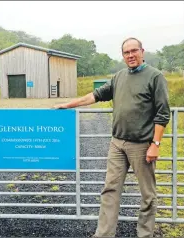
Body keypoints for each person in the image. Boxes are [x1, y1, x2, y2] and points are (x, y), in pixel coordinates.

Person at [53, 37, 170, 238]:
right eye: (127, 52)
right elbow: (95, 95)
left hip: (142, 145)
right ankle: (104, 234)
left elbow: (163, 113)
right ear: (123, 55)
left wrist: (155, 144)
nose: (131, 55)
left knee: (147, 194)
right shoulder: (119, 77)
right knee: (110, 189)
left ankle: (145, 234)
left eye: (134, 51)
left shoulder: (155, 77)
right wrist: (67, 104)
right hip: (117, 143)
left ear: (142, 51)